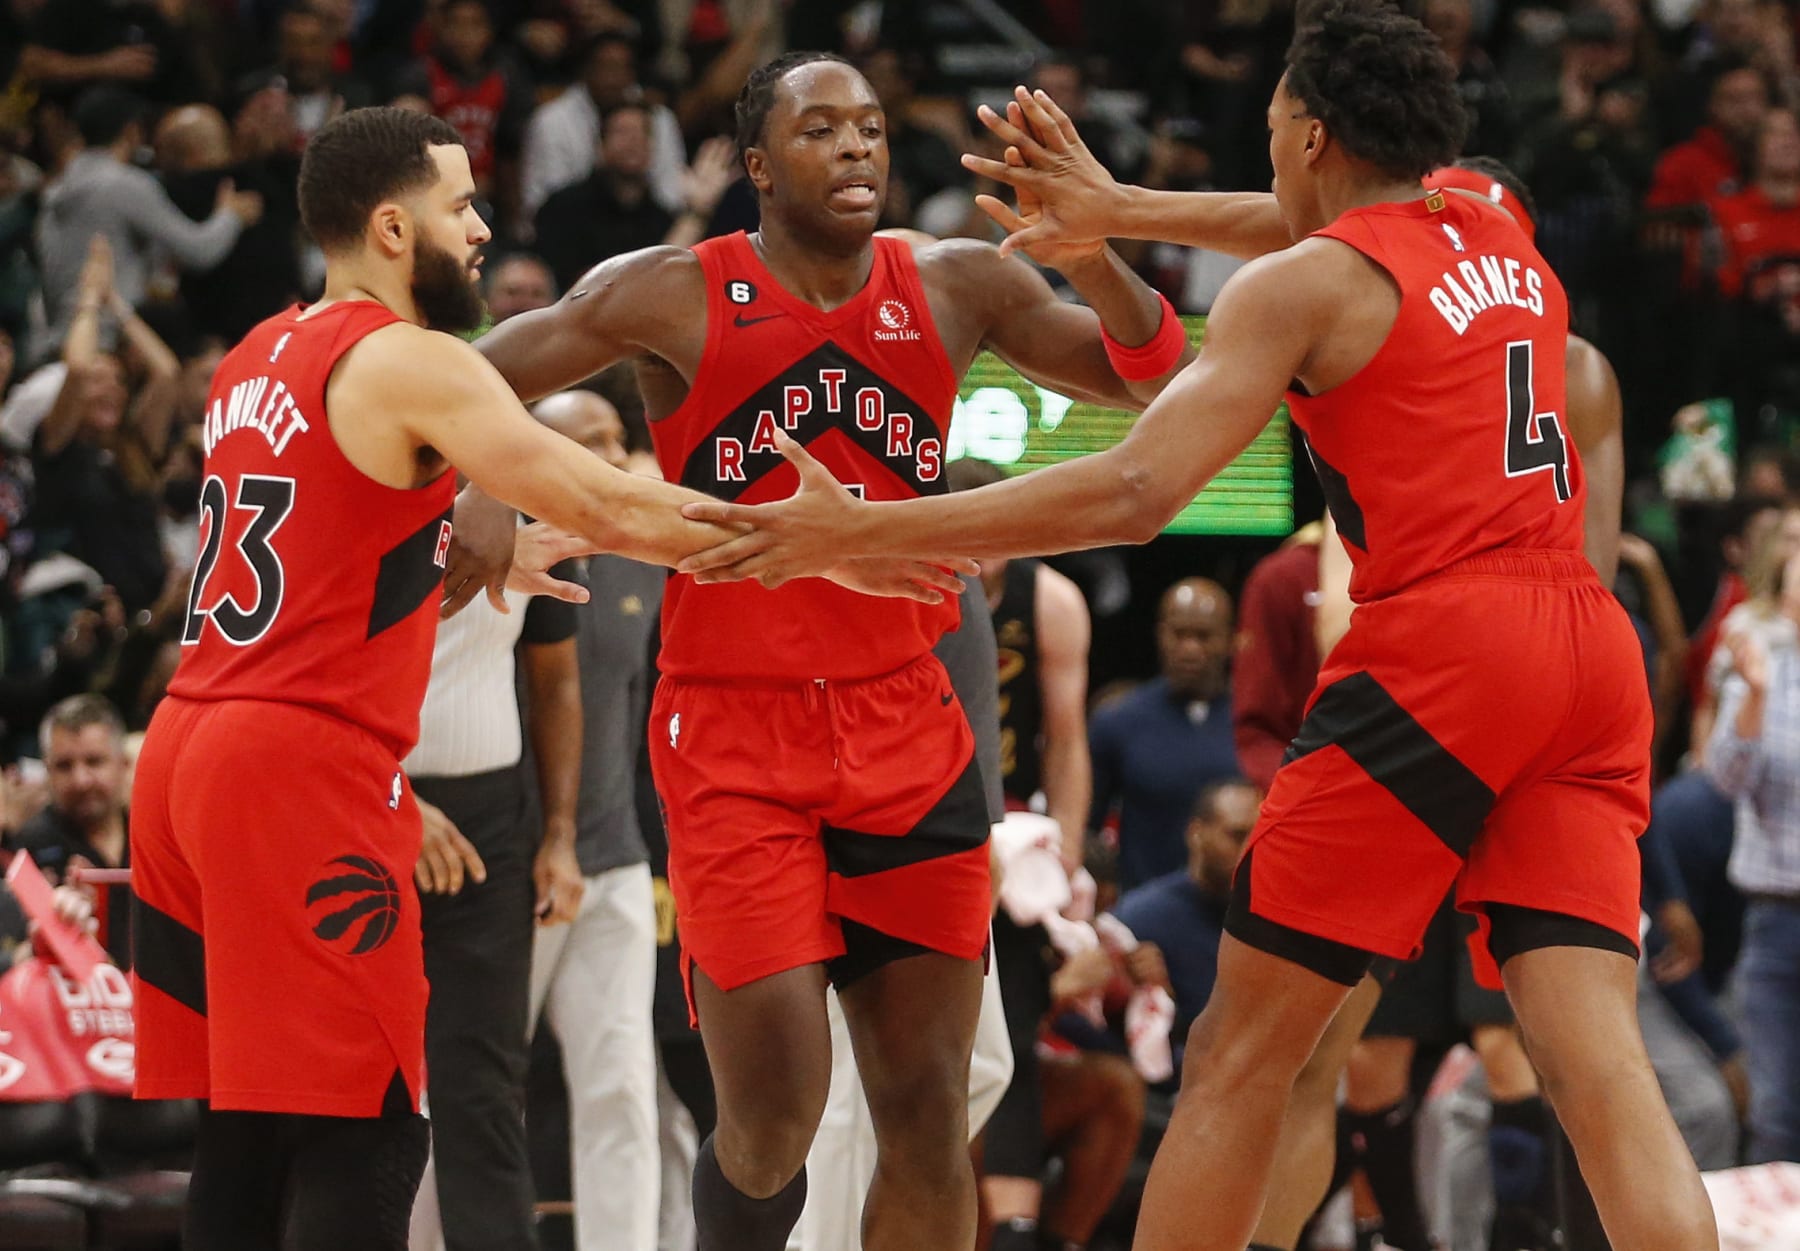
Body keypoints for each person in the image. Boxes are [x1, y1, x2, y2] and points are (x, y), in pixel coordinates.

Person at [673, 5, 1721, 1248]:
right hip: (1590, 657)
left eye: (1277, 126)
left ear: (1315, 134)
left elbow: (1135, 489)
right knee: (1596, 1061)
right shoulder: (1490, 224)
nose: (1267, 154)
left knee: (1239, 1051)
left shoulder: (1307, 284)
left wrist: (865, 530)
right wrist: (1123, 214)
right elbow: (1294, 218)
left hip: (1450, 644)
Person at [125, 105, 958, 1251]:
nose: (478, 229)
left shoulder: (252, 356)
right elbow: (615, 501)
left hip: (183, 752)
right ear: (390, 225)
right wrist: (833, 547)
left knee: (247, 1126)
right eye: (459, 205)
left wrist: (463, 545)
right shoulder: (406, 357)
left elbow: (317, 535)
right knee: (367, 1133)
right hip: (295, 763)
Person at [470, 51, 1189, 1251]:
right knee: (775, 1116)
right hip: (736, 739)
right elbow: (472, 379)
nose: (856, 146)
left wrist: (1096, 258)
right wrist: (483, 500)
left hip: (908, 726)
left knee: (924, 1112)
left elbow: (1148, 374)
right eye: (820, 130)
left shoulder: (956, 282)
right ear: (756, 164)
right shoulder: (670, 292)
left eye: (868, 127)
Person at [1088, 578, 1239, 891]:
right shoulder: (1118, 721)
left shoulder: (1259, 723)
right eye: (1179, 634)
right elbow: (1084, 828)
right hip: (1143, 916)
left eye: (1203, 636)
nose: (1189, 649)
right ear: (1160, 635)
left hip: (1239, 911)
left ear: (1230, 639)